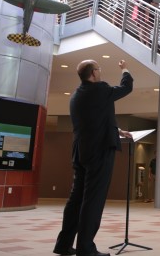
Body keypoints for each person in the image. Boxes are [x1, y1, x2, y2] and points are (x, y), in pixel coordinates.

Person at [54, 59, 134, 256]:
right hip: (99, 152)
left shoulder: (76, 95)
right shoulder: (100, 89)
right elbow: (127, 87)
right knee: (93, 200)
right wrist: (124, 69)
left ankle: (63, 245)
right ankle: (86, 248)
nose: (100, 72)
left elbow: (94, 120)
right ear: (93, 74)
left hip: (81, 152)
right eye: (98, 69)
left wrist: (118, 130)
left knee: (76, 199)